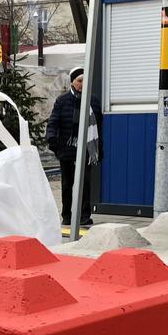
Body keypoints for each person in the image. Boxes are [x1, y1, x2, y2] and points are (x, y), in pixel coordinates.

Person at [45, 67, 101, 227]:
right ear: (72, 82)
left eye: (85, 80)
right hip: (67, 149)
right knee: (67, 185)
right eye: (79, 81)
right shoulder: (62, 101)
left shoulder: (93, 101)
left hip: (87, 150)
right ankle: (67, 216)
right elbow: (53, 122)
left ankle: (84, 217)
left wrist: (98, 149)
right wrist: (53, 141)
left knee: (85, 184)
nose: (82, 84)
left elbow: (99, 127)